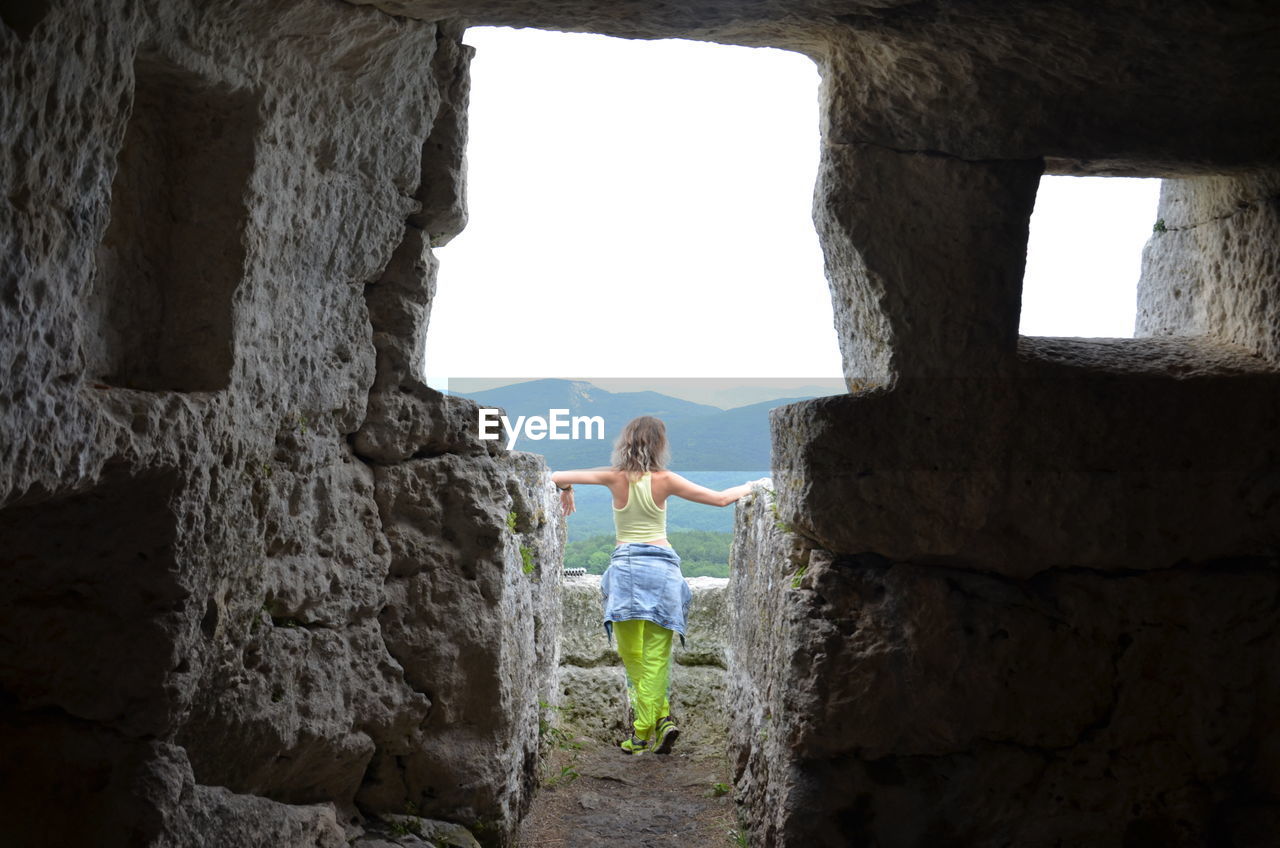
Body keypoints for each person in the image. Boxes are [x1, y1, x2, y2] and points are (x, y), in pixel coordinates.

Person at [550, 415, 762, 756]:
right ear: (660, 446)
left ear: (624, 443)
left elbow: (556, 476)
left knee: (633, 656)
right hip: (663, 571)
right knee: (657, 657)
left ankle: (640, 733)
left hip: (626, 572)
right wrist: (754, 484)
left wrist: (567, 490)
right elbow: (722, 499)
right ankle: (659, 721)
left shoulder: (613, 477)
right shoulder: (666, 480)